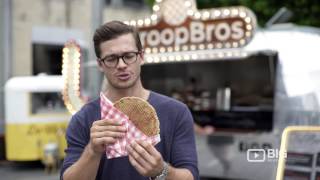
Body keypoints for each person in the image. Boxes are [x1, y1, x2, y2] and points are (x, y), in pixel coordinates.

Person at [61, 21, 199, 180]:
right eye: (111, 58)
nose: (121, 65)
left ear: (141, 56)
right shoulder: (83, 119)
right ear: (100, 64)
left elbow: (191, 176)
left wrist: (161, 171)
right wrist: (92, 151)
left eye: (128, 56)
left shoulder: (176, 112)